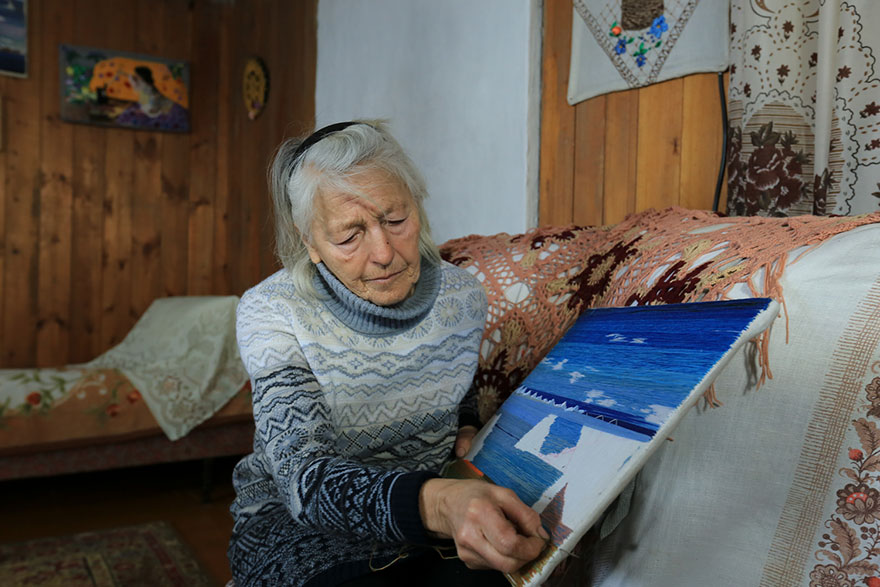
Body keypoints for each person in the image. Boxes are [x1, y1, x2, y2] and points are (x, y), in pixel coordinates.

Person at [227, 120, 548, 586]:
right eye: (349, 235)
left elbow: (452, 380)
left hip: (430, 505)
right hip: (296, 523)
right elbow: (305, 480)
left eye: (396, 220)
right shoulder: (271, 312)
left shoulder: (462, 297)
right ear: (308, 241)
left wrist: (466, 422)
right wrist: (441, 503)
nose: (383, 252)